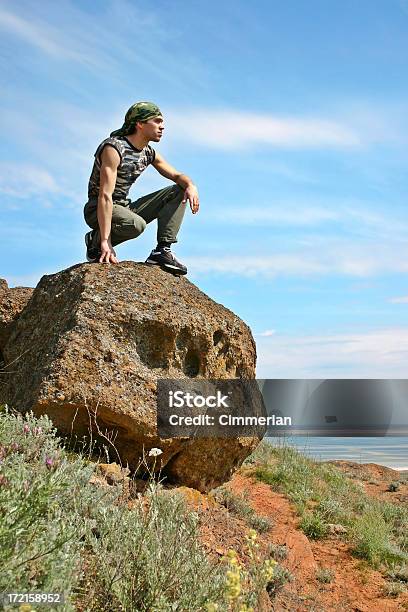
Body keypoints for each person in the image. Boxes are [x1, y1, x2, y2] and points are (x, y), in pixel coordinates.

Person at [83, 101, 199, 275]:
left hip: (123, 207)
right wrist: (106, 241)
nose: (162, 127)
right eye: (157, 121)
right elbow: (105, 196)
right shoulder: (114, 148)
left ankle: (162, 251)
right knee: (136, 225)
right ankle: (95, 240)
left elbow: (176, 176)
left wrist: (190, 185)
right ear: (140, 123)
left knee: (179, 189)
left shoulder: (148, 152)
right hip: (97, 208)